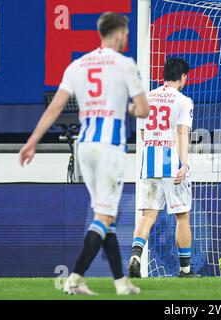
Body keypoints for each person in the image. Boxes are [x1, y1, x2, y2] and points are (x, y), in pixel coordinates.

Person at [19, 12, 149, 295]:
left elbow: (54, 108)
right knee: (103, 218)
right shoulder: (125, 64)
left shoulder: (77, 65)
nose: (126, 38)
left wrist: (32, 141)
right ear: (117, 35)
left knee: (106, 217)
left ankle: (120, 282)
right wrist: (128, 109)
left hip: (85, 146)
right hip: (109, 148)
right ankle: (75, 278)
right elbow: (143, 110)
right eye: (125, 34)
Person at [128, 57, 201, 278]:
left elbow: (142, 133)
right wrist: (184, 163)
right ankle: (185, 270)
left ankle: (135, 255)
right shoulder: (183, 100)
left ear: (163, 76)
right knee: (182, 216)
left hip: (149, 163)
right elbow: (181, 132)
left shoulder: (147, 98)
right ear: (183, 77)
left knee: (147, 215)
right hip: (172, 164)